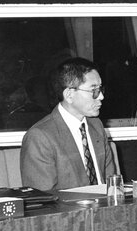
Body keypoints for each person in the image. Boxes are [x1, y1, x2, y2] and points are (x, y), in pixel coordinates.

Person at [21, 57, 116, 191]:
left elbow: (112, 184)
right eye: (93, 90)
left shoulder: (96, 126)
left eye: (101, 89)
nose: (101, 96)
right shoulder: (40, 137)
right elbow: (42, 200)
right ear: (69, 95)